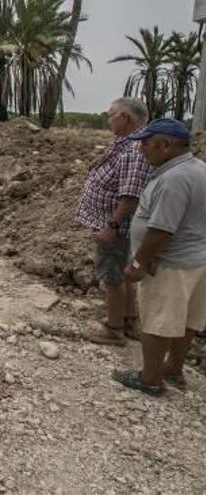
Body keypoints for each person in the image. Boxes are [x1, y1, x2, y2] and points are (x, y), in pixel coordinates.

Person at [111, 119, 206, 396]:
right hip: (197, 260)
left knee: (158, 321)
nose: (142, 150)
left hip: (169, 264)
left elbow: (162, 229)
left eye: (146, 143)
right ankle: (174, 369)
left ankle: (150, 377)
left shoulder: (173, 179)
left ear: (165, 146)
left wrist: (139, 262)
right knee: (187, 320)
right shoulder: (199, 169)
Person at [75, 97, 152, 346]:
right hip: (115, 224)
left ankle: (114, 328)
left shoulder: (134, 150)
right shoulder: (126, 143)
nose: (108, 119)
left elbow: (130, 196)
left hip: (117, 226)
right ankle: (128, 319)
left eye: (111, 115)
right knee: (122, 274)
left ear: (125, 118)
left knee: (112, 275)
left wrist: (112, 226)